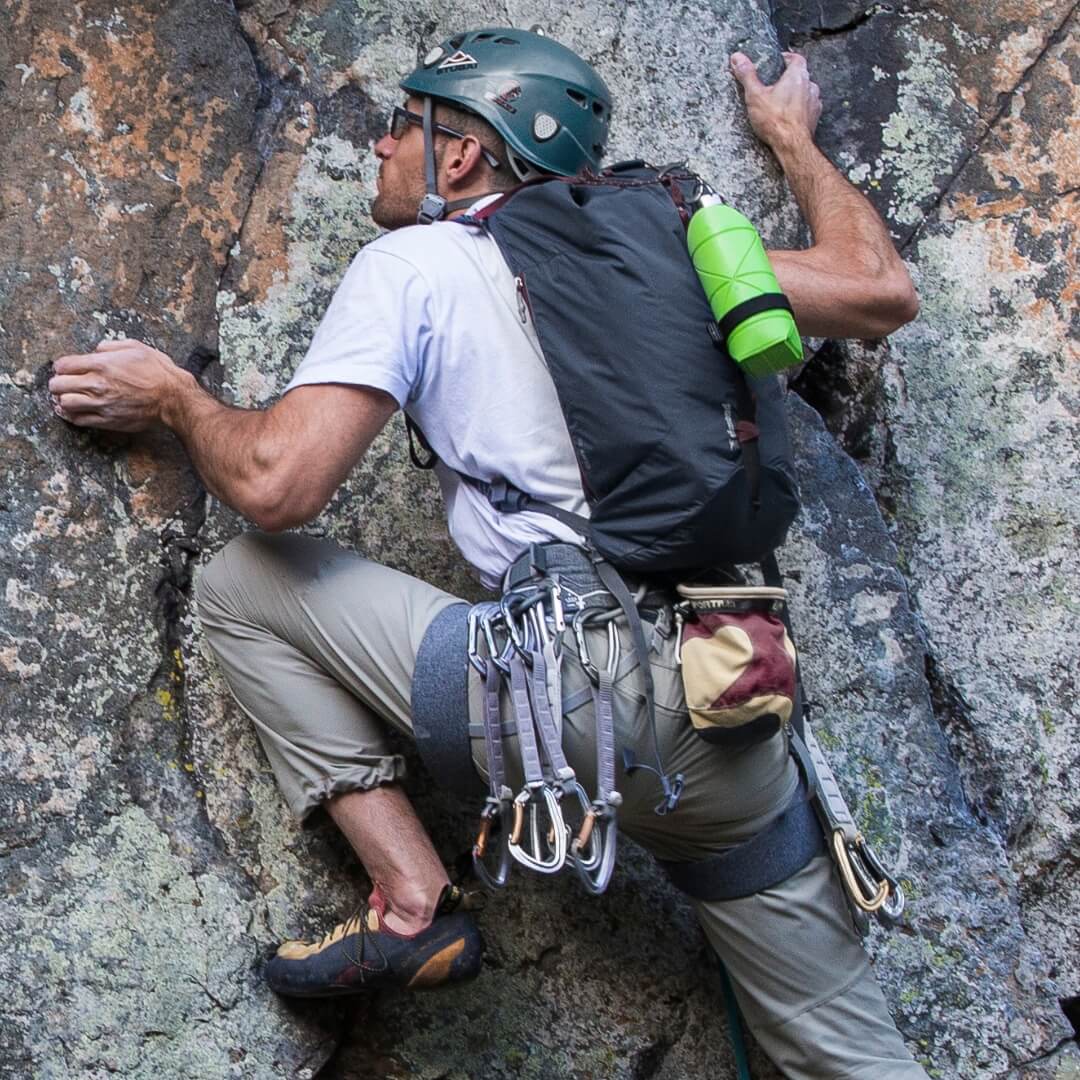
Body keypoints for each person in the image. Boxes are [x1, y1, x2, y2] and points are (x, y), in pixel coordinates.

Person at [50, 27, 927, 1078]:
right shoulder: (680, 248)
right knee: (853, 1061)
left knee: (242, 582)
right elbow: (878, 289)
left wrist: (176, 399)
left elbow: (276, 486)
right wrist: (790, 139)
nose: (378, 147)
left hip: (558, 705)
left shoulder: (416, 263)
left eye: (399, 123)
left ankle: (415, 901)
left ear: (460, 155)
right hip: (735, 700)